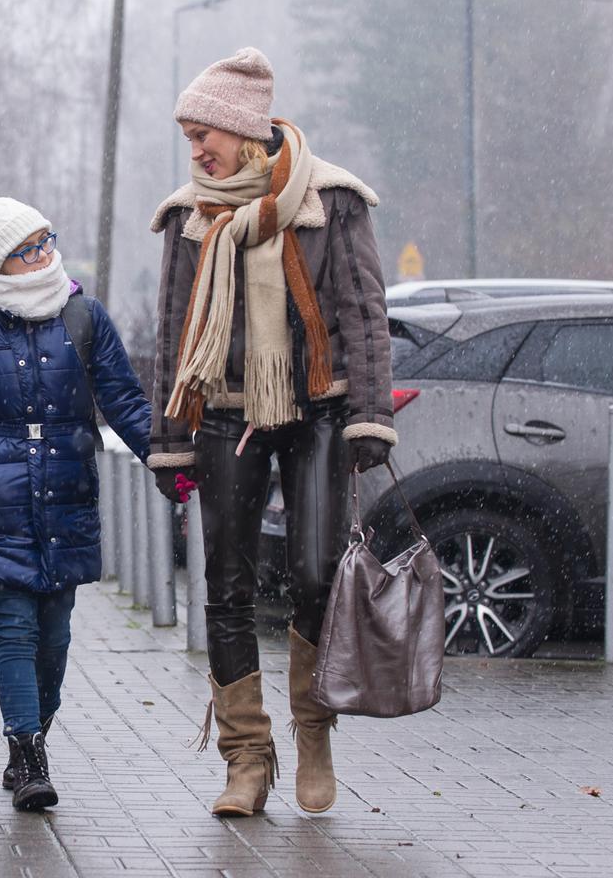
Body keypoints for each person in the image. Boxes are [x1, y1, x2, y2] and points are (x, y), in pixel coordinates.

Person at [147, 48, 395, 817]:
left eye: (204, 133)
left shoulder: (330, 200)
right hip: (223, 411)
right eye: (189, 136)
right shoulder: (190, 213)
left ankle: (312, 730)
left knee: (318, 574)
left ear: (244, 133)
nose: (194, 150)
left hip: (318, 407)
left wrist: (370, 417)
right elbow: (170, 327)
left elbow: (361, 310)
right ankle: (245, 761)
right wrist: (169, 436)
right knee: (225, 585)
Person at [0, 182, 150, 812]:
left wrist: (168, 460)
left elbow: (125, 400)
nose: (46, 256)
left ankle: (35, 728)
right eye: (30, 249)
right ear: (0, 262)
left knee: (55, 636)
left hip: (67, 497)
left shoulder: (85, 317)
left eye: (47, 241)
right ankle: (27, 753)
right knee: (15, 628)